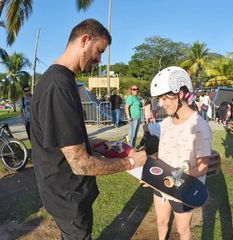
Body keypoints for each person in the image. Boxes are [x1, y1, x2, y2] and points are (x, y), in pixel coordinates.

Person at [30, 19, 147, 240]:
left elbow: (61, 138)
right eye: (99, 51)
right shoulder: (58, 85)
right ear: (85, 40)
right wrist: (132, 163)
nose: (99, 59)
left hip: (65, 193)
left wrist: (97, 144)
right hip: (68, 196)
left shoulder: (62, 80)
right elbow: (80, 164)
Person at [149, 66, 211, 240]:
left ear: (181, 94)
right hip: (162, 184)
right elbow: (163, 154)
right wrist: (149, 167)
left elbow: (203, 167)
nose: (161, 103)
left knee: (182, 230)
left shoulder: (199, 126)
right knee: (161, 222)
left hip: (186, 189)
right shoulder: (166, 123)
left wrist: (173, 177)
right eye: (160, 98)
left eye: (165, 98)